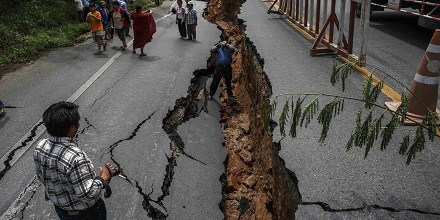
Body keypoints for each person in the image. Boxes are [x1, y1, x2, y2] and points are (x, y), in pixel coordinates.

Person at [34, 101, 117, 220]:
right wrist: (103, 178)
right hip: (85, 213)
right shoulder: (75, 157)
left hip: (61, 209)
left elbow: (41, 176)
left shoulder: (40, 146)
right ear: (72, 127)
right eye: (77, 122)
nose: (79, 124)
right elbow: (87, 194)